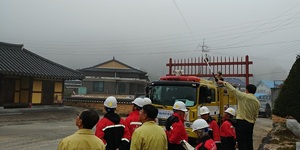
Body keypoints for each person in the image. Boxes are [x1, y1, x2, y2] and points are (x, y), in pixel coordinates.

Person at [218, 80, 260, 150]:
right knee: (249, 142)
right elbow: (256, 115)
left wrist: (223, 82)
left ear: (247, 90)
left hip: (242, 123)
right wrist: (253, 122)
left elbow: (233, 90)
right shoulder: (257, 102)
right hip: (250, 124)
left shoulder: (243, 96)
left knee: (242, 143)